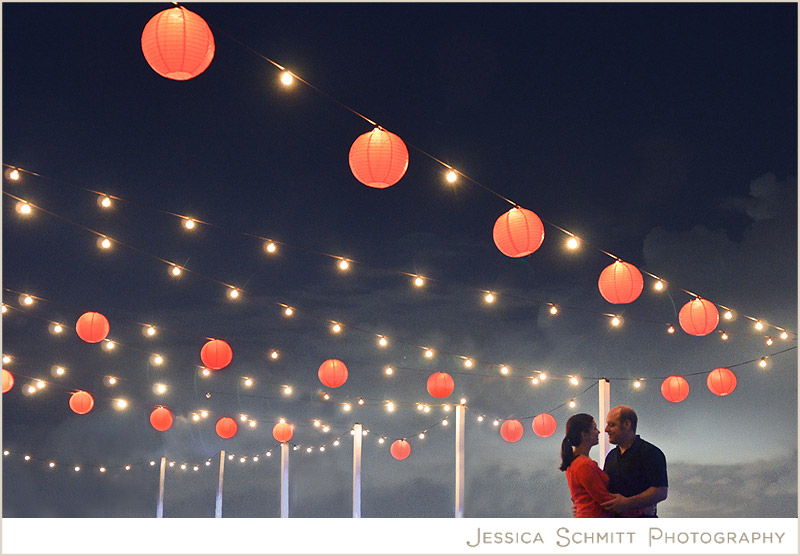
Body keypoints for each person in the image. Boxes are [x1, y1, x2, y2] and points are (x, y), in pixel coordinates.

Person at [599, 405, 668, 517]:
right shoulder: (611, 456)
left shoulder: (650, 453)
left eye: (612, 425)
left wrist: (627, 503)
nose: (606, 429)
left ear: (627, 424)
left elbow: (660, 492)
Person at [560, 413, 615, 517]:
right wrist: (639, 511)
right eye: (594, 428)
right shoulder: (584, 465)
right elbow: (605, 500)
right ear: (584, 434)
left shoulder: (573, 463)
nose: (598, 432)